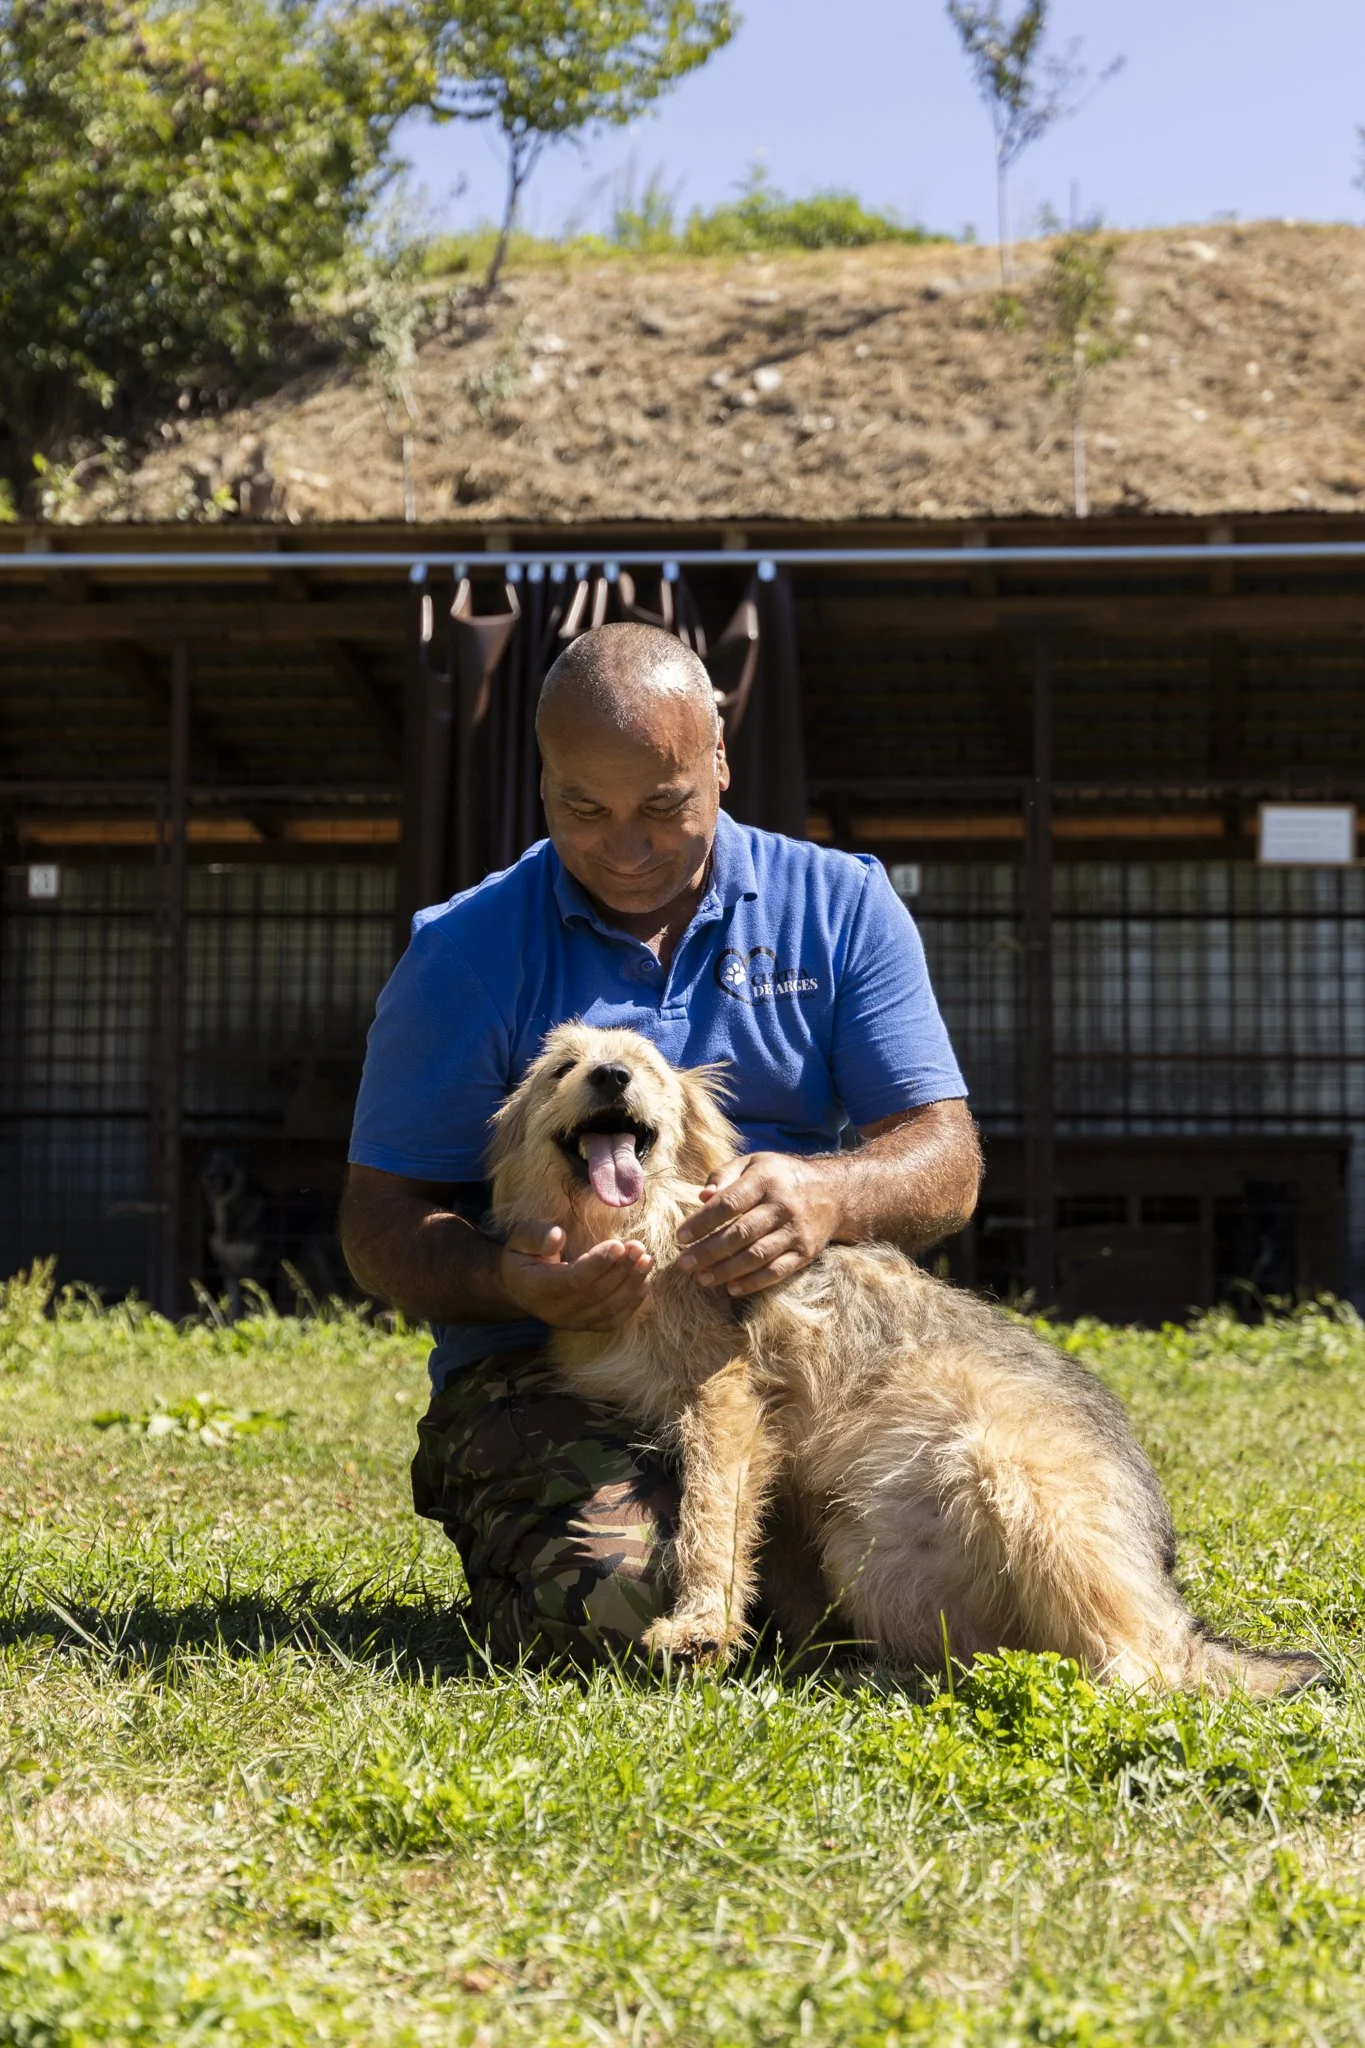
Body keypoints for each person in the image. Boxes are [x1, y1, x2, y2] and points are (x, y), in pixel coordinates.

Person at [342, 621, 981, 1667]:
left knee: (975, 1534)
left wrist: (828, 1194)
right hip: (553, 1366)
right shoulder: (462, 949)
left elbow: (944, 1159)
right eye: (584, 809)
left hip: (798, 1351)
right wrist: (509, 1282)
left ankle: (824, 1594)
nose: (627, 847)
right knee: (615, 1602)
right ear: (542, 785)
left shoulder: (840, 905)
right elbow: (378, 1221)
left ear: (720, 763)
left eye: (663, 806)